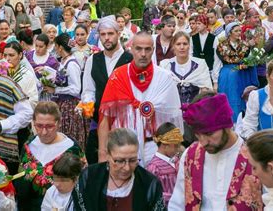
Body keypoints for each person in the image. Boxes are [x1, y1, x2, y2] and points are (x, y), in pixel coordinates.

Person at [98, 32, 182, 166]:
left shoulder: (165, 78)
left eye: (147, 49)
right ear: (131, 48)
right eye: (138, 49)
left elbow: (174, 118)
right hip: (122, 149)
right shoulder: (118, 76)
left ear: (153, 50)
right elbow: (105, 118)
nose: (143, 54)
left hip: (155, 149)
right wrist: (103, 153)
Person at [169, 93, 263, 210]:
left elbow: (272, 203)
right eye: (198, 135)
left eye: (209, 134)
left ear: (226, 125)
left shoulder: (257, 156)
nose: (203, 142)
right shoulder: (190, 155)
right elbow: (177, 204)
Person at [72, 128, 165, 210]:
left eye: (133, 160)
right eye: (120, 161)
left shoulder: (149, 184)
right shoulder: (88, 178)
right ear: (108, 155)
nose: (127, 168)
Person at [81, 15, 133, 164]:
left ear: (118, 34)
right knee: (96, 162)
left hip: (124, 122)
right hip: (98, 120)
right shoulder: (93, 60)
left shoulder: (129, 60)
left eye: (110, 34)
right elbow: (88, 89)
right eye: (103, 34)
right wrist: (87, 103)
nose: (107, 38)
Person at [16, 102, 85, 210]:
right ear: (33, 123)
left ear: (58, 123)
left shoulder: (72, 149)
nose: (44, 132)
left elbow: (82, 185)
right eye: (39, 126)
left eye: (49, 126)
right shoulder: (28, 145)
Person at [45, 33, 87, 148]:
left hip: (70, 105)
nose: (55, 49)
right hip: (62, 104)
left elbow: (76, 89)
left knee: (69, 135)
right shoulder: (64, 61)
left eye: (56, 46)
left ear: (60, 47)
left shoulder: (71, 64)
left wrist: (56, 90)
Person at [217, 21, 259, 120]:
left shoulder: (244, 45)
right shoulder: (222, 45)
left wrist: (247, 64)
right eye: (236, 31)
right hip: (228, 74)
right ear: (229, 32)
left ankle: (243, 120)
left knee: (241, 96)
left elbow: (250, 58)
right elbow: (220, 61)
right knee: (229, 96)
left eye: (239, 31)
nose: (238, 33)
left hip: (242, 74)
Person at [161, 31, 213, 104]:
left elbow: (206, 91)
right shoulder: (165, 65)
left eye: (185, 44)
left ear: (189, 45)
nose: (182, 47)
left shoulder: (200, 64)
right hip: (172, 109)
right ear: (173, 46)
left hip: (195, 109)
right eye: (178, 44)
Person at [147, 123, 183, 207]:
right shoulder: (154, 167)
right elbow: (153, 194)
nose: (179, 148)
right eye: (176, 146)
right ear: (165, 145)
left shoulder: (177, 160)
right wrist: (176, 197)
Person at [3, 41, 39, 108]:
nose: (7, 59)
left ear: (20, 55)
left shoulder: (27, 75)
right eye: (5, 55)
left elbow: (33, 100)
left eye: (11, 55)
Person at [26, 33, 60, 100]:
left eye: (41, 47)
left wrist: (46, 71)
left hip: (45, 94)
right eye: (36, 46)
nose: (38, 49)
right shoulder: (28, 55)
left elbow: (57, 79)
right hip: (29, 91)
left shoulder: (52, 60)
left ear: (47, 46)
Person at [191, 14, 219, 79]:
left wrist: (215, 76)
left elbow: (216, 58)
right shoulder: (192, 38)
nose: (197, 26)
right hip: (196, 72)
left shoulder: (214, 38)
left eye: (199, 23)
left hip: (210, 71)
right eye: (196, 23)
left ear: (205, 24)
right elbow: (191, 55)